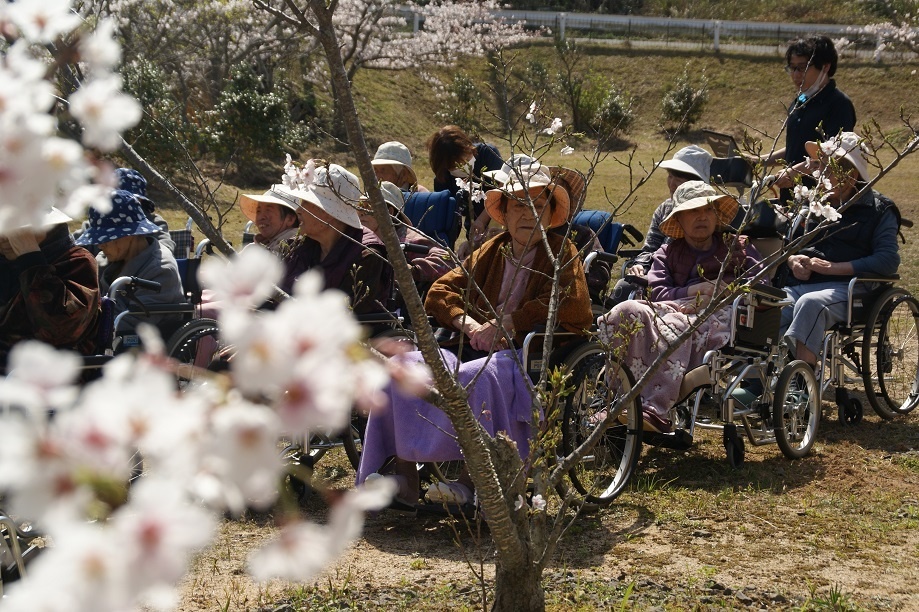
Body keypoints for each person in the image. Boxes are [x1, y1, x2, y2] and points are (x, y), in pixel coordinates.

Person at [357, 168, 593, 505]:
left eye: (539, 206)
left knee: (474, 376)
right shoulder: (492, 249)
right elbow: (440, 291)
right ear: (505, 213)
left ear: (550, 214)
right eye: (519, 205)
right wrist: (468, 324)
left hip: (527, 354)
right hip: (472, 343)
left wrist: (508, 323)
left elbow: (572, 304)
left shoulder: (562, 252)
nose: (528, 214)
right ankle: (405, 480)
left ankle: (469, 484)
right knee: (404, 366)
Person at [597, 181, 764, 434]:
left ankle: (655, 407)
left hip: (718, 314)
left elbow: (760, 284)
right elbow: (657, 291)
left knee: (677, 327)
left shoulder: (737, 247)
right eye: (693, 211)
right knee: (627, 310)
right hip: (669, 306)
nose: (702, 217)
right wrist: (693, 292)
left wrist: (721, 293)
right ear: (679, 220)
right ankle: (614, 399)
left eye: (708, 210)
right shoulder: (667, 252)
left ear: (716, 216)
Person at [781, 132, 900, 368]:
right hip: (806, 285)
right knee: (769, 304)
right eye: (821, 167)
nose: (820, 174)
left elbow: (888, 260)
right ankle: (760, 384)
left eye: (829, 168)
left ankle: (803, 388)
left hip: (852, 288)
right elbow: (788, 248)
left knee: (810, 304)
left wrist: (833, 268)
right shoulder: (815, 203)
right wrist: (794, 261)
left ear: (851, 174)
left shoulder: (879, 209)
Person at [277, 162, 393, 315]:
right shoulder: (297, 246)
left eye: (306, 203)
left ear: (328, 213)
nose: (298, 210)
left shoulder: (367, 256)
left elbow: (349, 315)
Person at [608, 144, 713, 305]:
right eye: (670, 177)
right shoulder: (664, 209)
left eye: (679, 181)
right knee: (624, 289)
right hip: (659, 273)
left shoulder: (711, 214)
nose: (672, 185)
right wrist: (641, 265)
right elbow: (651, 248)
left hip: (692, 282)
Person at [1, 208, 101, 370]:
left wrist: (30, 258)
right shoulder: (6, 263)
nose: (4, 238)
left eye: (13, 230)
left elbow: (61, 329)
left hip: (46, 375)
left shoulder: (78, 262)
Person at [75, 190, 186, 335]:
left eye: (105, 239)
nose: (100, 245)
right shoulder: (103, 259)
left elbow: (134, 323)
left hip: (137, 345)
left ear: (130, 235)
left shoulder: (161, 268)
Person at [761, 35, 856, 201]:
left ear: (825, 67)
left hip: (820, 199)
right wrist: (761, 161)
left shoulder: (839, 105)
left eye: (802, 67)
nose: (796, 74)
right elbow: (796, 148)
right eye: (792, 68)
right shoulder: (800, 101)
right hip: (790, 198)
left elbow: (835, 156)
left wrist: (795, 171)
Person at [357, 181, 453, 287]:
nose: (361, 212)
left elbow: (448, 261)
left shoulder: (409, 239)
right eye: (360, 206)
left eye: (368, 206)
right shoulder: (359, 236)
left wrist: (413, 270)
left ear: (389, 212)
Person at [427, 125, 504, 248]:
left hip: (499, 223)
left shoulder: (487, 154)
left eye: (466, 158)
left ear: (468, 147)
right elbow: (450, 219)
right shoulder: (443, 179)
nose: (464, 165)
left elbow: (502, 188)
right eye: (456, 165)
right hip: (475, 233)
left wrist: (482, 220)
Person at [238, 185, 301, 255]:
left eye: (268, 210)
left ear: (290, 219)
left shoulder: (296, 251)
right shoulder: (252, 249)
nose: (261, 217)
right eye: (258, 211)